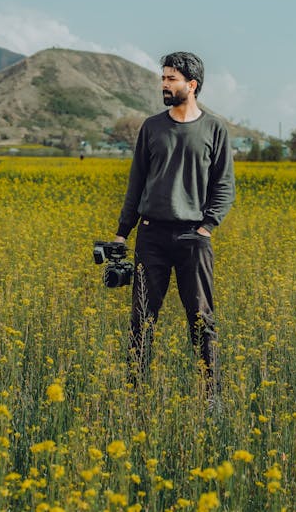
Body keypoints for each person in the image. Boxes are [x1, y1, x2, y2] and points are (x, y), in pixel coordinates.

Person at [115, 51, 235, 399]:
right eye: (163, 78)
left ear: (191, 85)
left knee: (201, 320)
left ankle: (211, 396)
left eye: (171, 79)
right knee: (141, 319)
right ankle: (134, 393)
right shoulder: (152, 126)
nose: (164, 84)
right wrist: (123, 232)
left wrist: (207, 226)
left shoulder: (214, 129)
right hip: (151, 235)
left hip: (192, 238)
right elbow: (136, 183)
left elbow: (224, 185)